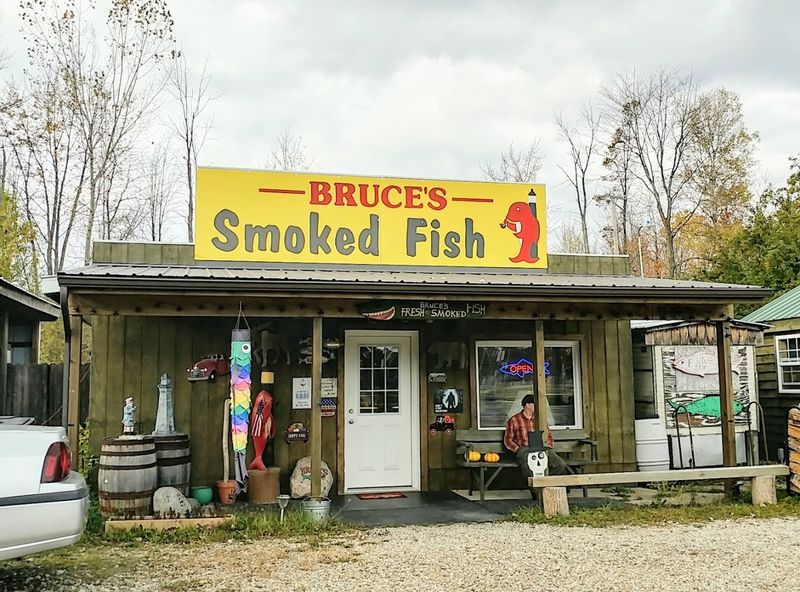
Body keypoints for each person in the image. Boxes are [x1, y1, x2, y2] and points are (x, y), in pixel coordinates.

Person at [504, 394, 570, 484]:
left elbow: (548, 435)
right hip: (524, 448)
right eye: (535, 404)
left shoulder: (540, 419)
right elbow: (508, 439)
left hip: (541, 447)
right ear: (527, 405)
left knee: (560, 464)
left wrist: (548, 445)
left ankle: (546, 484)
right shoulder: (514, 420)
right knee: (529, 469)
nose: (537, 406)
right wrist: (518, 449)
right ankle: (535, 490)